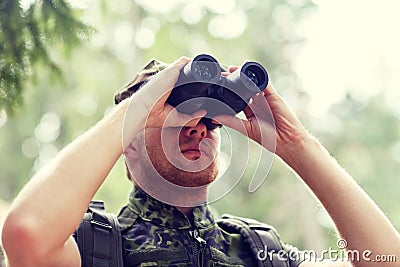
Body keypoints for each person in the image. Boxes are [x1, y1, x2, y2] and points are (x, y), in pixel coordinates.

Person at [1, 56, 400, 267]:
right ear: (129, 145)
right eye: (175, 116)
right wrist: (142, 102)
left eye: (208, 119)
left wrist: (298, 146)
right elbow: (26, 234)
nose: (197, 127)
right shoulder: (96, 248)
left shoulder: (256, 251)